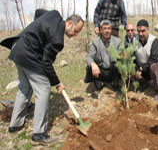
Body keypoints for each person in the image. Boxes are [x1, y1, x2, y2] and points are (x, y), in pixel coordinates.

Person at [0, 10, 84, 144]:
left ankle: (15, 124)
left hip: (17, 48)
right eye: (75, 31)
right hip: (28, 54)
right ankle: (39, 134)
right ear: (69, 23)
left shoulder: (54, 14)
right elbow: (46, 63)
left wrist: (38, 33)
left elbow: (38, 12)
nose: (75, 35)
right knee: (44, 88)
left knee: (25, 87)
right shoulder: (58, 40)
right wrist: (57, 83)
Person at [84, 20, 120, 91]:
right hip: (101, 71)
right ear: (100, 30)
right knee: (89, 67)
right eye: (104, 28)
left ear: (111, 30)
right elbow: (89, 57)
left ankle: (115, 83)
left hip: (112, 71)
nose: (107, 31)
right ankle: (99, 84)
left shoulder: (117, 41)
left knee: (117, 64)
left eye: (109, 28)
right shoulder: (95, 42)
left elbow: (120, 57)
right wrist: (93, 64)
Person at [135, 19, 158, 100]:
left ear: (148, 30)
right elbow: (133, 56)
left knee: (155, 68)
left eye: (143, 31)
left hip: (152, 68)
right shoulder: (134, 40)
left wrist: (141, 69)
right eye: (138, 31)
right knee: (130, 66)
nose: (140, 34)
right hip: (142, 69)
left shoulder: (154, 41)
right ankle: (144, 84)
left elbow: (153, 59)